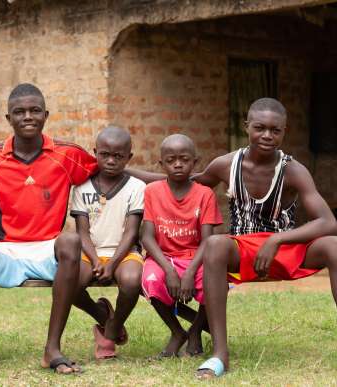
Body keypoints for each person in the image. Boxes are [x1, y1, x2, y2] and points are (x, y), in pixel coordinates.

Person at [0, 83, 98, 373]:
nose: (28, 117)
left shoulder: (67, 154)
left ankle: (52, 349)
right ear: (8, 119)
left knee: (70, 241)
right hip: (7, 249)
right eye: (19, 112)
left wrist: (171, 179)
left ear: (46, 115)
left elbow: (110, 169)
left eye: (35, 111)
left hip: (49, 251)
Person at [192, 98, 337, 378]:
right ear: (246, 127)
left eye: (275, 130)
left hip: (285, 249)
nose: (267, 136)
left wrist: (276, 240)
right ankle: (220, 354)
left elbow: (328, 221)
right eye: (260, 128)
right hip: (243, 249)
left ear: (284, 131)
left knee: (334, 246)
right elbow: (186, 182)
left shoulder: (293, 170)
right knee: (215, 245)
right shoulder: (225, 164)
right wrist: (124, 173)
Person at [141, 134, 222, 359]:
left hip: (196, 257)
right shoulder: (152, 191)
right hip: (163, 256)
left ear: (195, 162)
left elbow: (207, 241)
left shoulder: (205, 194)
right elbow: (147, 237)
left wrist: (189, 272)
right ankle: (177, 332)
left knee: (214, 282)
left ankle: (195, 330)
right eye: (171, 160)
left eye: (184, 159)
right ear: (161, 164)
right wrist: (168, 269)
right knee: (150, 280)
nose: (178, 164)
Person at [70, 126, 145, 359]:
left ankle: (111, 330)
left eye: (118, 156)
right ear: (95, 153)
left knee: (132, 281)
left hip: (123, 252)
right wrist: (95, 260)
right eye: (105, 154)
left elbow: (131, 232)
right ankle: (101, 314)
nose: (111, 160)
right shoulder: (81, 187)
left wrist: (111, 264)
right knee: (68, 282)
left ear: (129, 157)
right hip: (89, 251)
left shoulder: (136, 187)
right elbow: (82, 232)